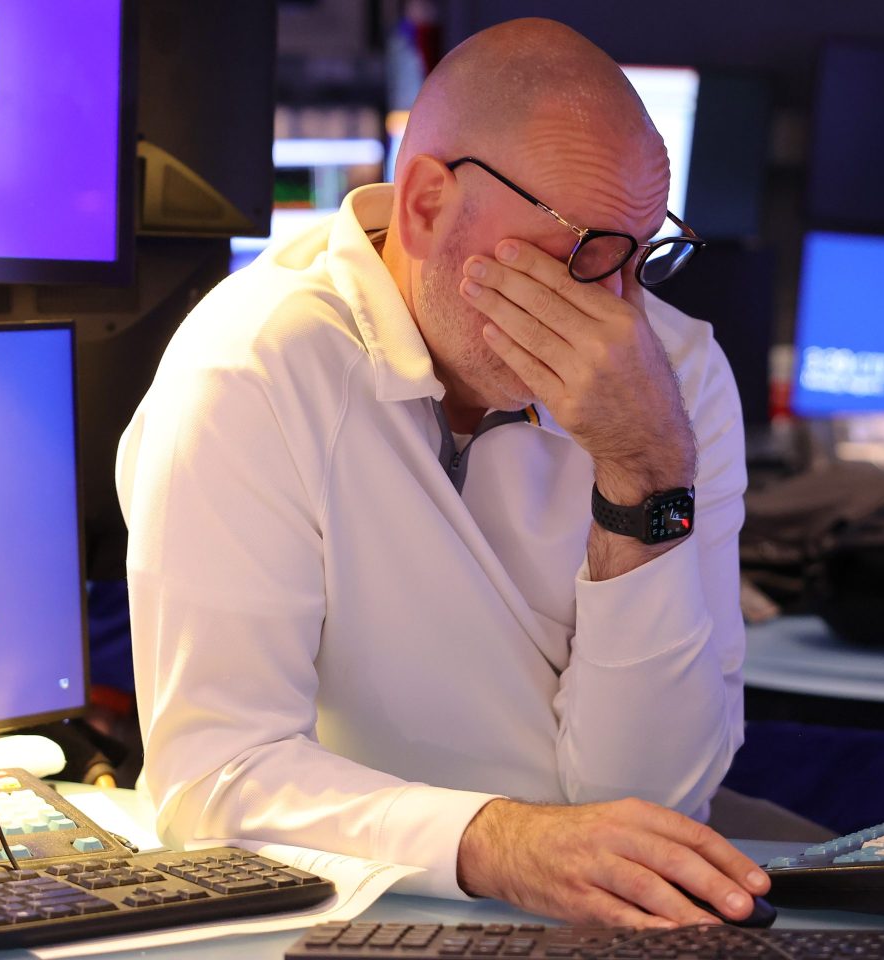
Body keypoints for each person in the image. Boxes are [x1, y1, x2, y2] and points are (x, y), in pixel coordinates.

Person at [117, 17, 777, 928]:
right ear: (427, 204)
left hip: (611, 917)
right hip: (362, 915)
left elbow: (653, 802)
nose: (615, 314)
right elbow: (215, 778)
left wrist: (645, 471)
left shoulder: (672, 379)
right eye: (578, 253)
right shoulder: (252, 371)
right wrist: (500, 843)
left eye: (638, 258)